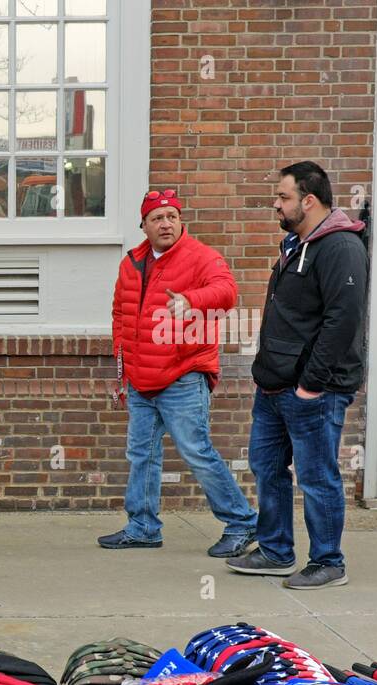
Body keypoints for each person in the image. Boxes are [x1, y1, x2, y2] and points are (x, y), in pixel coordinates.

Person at [229, 161, 368, 590]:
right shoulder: (296, 244)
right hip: (274, 385)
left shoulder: (340, 247)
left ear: (309, 200)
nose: (276, 203)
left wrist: (310, 384)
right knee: (267, 465)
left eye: (283, 196)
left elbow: (341, 321)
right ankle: (275, 550)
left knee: (316, 475)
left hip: (314, 390)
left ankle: (328, 562)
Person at [99, 188, 257, 556]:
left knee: (196, 451)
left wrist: (192, 300)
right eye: (157, 218)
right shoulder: (131, 262)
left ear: (181, 221)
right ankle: (142, 527)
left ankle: (243, 524)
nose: (165, 223)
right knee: (141, 455)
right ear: (144, 225)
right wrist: (123, 372)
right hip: (141, 379)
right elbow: (121, 317)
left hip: (183, 374)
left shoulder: (201, 257)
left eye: (172, 216)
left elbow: (227, 292)